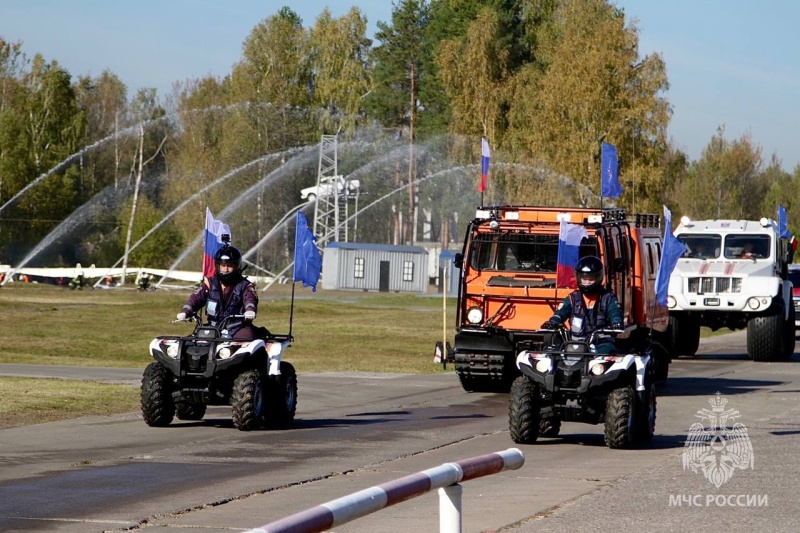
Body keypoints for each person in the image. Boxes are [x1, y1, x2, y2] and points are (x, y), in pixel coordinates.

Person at [176, 240, 261, 340]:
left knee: (246, 339)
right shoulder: (210, 283)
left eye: (229, 266)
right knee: (194, 343)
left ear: (236, 266)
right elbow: (197, 297)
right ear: (217, 266)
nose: (225, 269)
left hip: (236, 327)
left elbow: (250, 300)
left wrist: (250, 311)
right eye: (223, 266)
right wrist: (185, 311)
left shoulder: (245, 285)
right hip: (213, 327)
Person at [541, 256, 623, 354]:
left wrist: (616, 323)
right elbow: (561, 312)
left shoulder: (608, 298)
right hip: (576, 344)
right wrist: (552, 322)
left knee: (609, 351)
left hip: (601, 343)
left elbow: (615, 312)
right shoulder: (573, 298)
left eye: (590, 279)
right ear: (578, 278)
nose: (586, 283)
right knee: (552, 353)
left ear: (598, 278)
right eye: (584, 279)